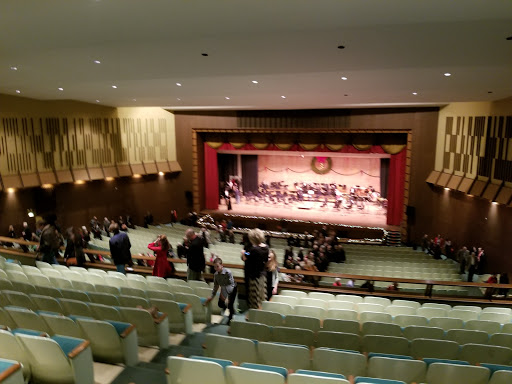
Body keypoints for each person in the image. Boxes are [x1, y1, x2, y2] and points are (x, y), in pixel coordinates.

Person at [242, 228, 268, 309]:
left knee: (254, 298)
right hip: (262, 275)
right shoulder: (266, 248)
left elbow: (246, 257)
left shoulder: (254, 250)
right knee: (261, 296)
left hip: (253, 276)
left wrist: (243, 253)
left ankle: (254, 314)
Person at [206, 258, 237, 324]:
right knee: (220, 304)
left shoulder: (228, 272)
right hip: (224, 288)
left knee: (230, 304)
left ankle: (230, 319)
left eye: (217, 266)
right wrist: (212, 296)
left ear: (221, 265)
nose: (216, 268)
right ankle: (228, 307)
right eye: (214, 267)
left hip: (232, 287)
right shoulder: (216, 275)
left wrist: (228, 298)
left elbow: (231, 284)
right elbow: (216, 286)